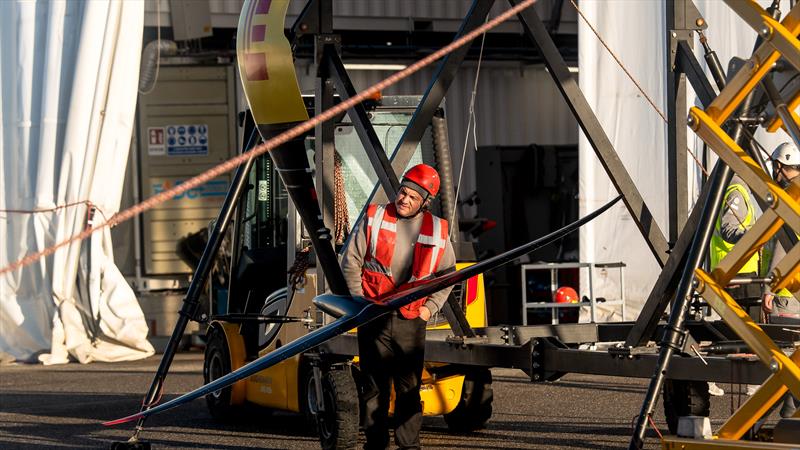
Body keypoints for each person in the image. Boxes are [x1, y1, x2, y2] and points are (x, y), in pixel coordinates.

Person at [341, 163, 456, 450]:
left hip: (411, 319)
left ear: (424, 203)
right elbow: (350, 262)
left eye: (412, 197)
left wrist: (430, 308)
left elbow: (448, 275)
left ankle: (409, 446)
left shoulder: (437, 230)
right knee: (374, 388)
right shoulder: (374, 217)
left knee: (409, 389)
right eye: (403, 192)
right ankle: (375, 444)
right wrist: (358, 304)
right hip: (373, 315)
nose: (404, 199)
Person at [707, 164, 767, 397]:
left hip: (733, 270)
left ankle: (710, 375)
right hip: (739, 273)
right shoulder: (736, 191)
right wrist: (758, 235)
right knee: (746, 330)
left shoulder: (731, 190)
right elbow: (729, 229)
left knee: (731, 329)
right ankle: (751, 382)